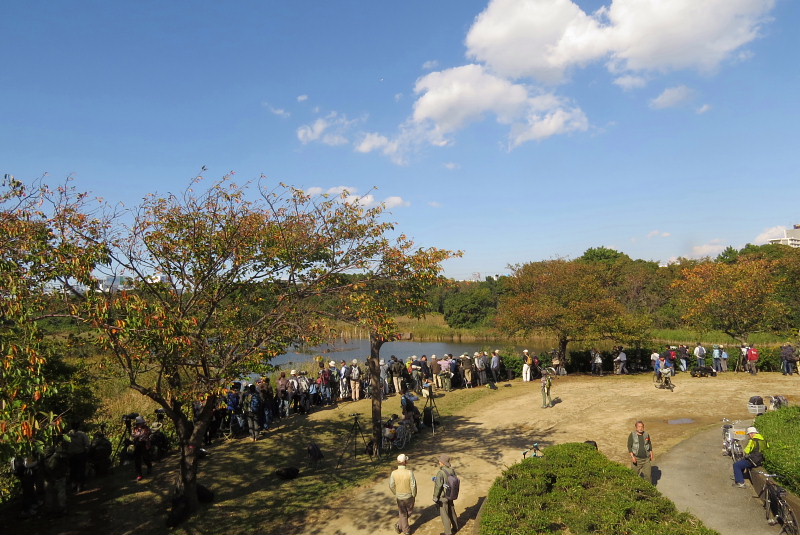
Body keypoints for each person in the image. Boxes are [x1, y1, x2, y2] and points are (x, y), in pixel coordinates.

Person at [389, 453, 417, 535]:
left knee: (403, 513)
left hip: (399, 497)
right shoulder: (409, 472)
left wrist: (396, 493)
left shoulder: (393, 473)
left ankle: (399, 525)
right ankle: (406, 530)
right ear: (405, 462)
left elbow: (391, 485)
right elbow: (413, 485)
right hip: (409, 497)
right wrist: (414, 494)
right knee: (407, 513)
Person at [433, 454, 459, 535]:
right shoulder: (452, 471)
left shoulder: (440, 473)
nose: (439, 462)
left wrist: (435, 497)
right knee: (452, 511)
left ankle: (448, 532)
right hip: (450, 495)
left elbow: (438, 486)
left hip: (443, 497)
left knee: (445, 515)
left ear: (443, 463)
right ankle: (455, 527)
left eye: (440, 461)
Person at [66, 421, 90, 493]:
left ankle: (73, 484)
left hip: (71, 455)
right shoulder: (82, 434)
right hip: (80, 454)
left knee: (73, 470)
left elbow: (65, 445)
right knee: (81, 470)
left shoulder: (67, 435)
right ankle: (80, 485)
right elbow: (87, 444)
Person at [131, 416, 153, 481]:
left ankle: (149, 467)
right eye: (140, 423)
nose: (141, 424)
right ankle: (139, 474)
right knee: (137, 460)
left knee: (145, 458)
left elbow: (147, 434)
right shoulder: (135, 428)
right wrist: (136, 436)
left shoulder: (146, 428)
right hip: (137, 445)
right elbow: (133, 435)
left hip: (144, 444)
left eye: (142, 423)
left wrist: (140, 436)